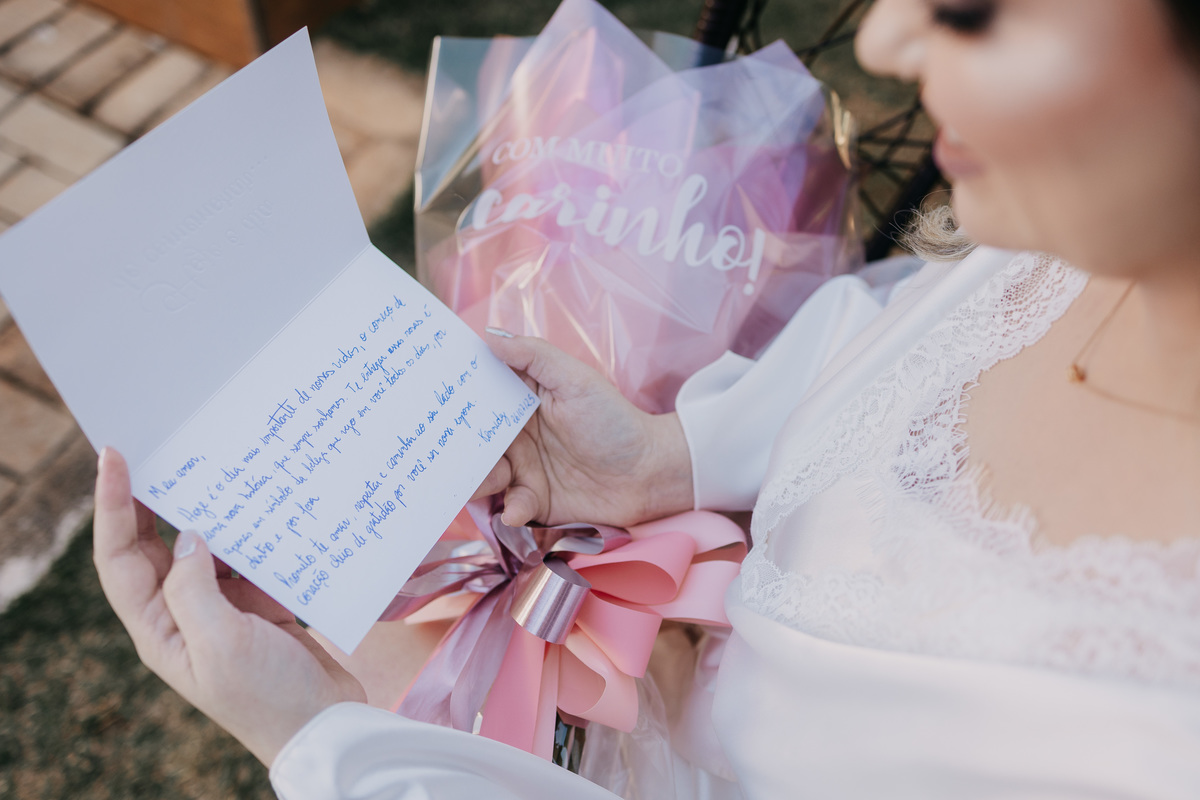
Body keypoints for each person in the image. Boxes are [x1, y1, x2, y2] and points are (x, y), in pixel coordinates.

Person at [92, 0, 1200, 797]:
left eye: (977, 11)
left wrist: (326, 738)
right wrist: (666, 458)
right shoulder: (1057, 250)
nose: (884, 38)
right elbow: (886, 333)